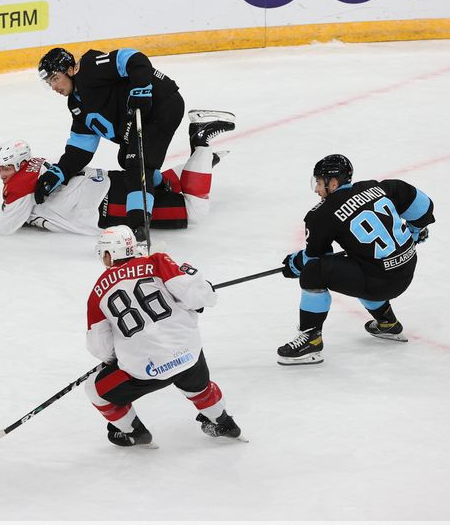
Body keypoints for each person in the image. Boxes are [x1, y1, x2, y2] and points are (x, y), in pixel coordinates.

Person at [34, 46, 235, 241]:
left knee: (137, 164)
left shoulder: (89, 67)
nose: (54, 87)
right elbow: (81, 147)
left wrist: (142, 87)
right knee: (126, 158)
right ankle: (167, 185)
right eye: (49, 83)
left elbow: (132, 57)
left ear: (70, 70)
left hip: (162, 104)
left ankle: (137, 229)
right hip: (141, 119)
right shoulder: (76, 104)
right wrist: (60, 172)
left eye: (55, 79)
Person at [82, 225, 241, 447]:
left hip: (145, 370)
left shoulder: (97, 293)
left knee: (94, 389)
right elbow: (199, 297)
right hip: (189, 354)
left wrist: (114, 360)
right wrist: (204, 290)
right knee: (195, 382)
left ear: (109, 254)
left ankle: (134, 432)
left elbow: (100, 347)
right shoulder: (157, 261)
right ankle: (223, 423)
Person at [277, 154, 435, 365]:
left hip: (380, 282)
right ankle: (387, 323)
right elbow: (423, 205)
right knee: (363, 263)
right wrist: (415, 231)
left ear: (333, 183)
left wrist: (295, 264)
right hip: (407, 268)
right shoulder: (377, 187)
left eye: (319, 182)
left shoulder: (321, 214)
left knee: (313, 272)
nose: (316, 189)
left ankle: (310, 340)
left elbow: (316, 258)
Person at [0, 136, 227, 235]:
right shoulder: (35, 164)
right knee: (161, 183)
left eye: (6, 167)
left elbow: (3, 226)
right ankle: (196, 166)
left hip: (108, 207)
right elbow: (21, 212)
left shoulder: (21, 183)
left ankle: (201, 147)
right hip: (109, 183)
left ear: (20, 164)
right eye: (0, 168)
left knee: (193, 212)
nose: (2, 174)